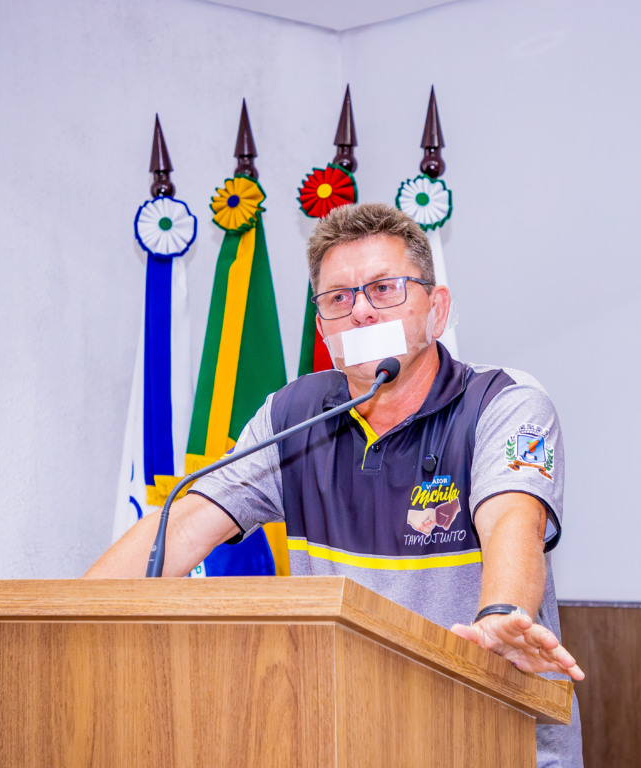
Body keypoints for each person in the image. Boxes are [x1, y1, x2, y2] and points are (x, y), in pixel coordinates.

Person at [86, 202, 584, 766]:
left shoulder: (503, 404)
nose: (363, 313)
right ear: (323, 328)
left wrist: (501, 616)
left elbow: (513, 519)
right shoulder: (294, 414)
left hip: (494, 738)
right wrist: (66, 619)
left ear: (436, 310)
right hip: (350, 736)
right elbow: (182, 524)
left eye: (384, 289)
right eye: (339, 299)